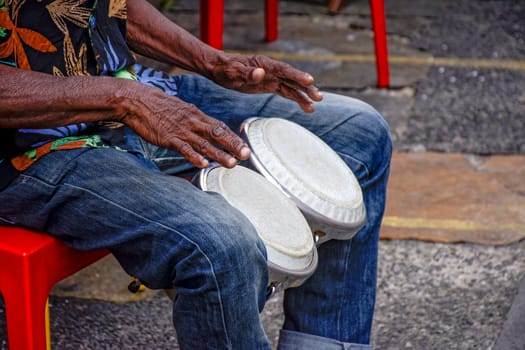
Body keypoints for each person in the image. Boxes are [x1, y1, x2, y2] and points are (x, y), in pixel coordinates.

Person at [0, 0, 392, 349]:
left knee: (359, 135)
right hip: (29, 149)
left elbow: (107, 7)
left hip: (132, 89)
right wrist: (123, 101)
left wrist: (211, 62)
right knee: (222, 241)